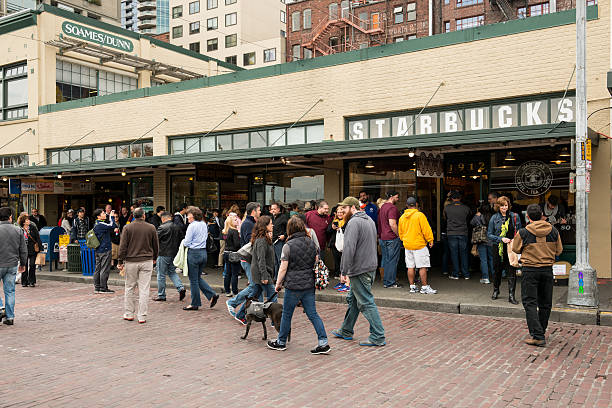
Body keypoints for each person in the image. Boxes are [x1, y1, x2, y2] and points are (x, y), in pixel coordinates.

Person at [267, 216, 330, 354]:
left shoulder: (288, 246)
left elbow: (283, 268)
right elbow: (316, 261)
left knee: (287, 314)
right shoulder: (311, 243)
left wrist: (277, 284)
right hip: (309, 284)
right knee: (313, 313)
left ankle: (281, 341)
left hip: (293, 285)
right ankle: (323, 342)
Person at [331, 197, 386, 347]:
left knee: (366, 302)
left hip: (359, 268)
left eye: (344, 208)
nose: (341, 212)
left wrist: (344, 270)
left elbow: (349, 248)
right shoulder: (368, 219)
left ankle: (378, 335)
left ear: (352, 207)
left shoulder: (354, 223)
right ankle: (346, 330)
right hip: (369, 266)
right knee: (354, 300)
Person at [512, 204, 562, 347]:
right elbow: (559, 251)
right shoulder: (553, 231)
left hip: (530, 269)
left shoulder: (523, 232)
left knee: (530, 302)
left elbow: (515, 248)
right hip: (547, 270)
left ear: (528, 216)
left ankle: (538, 335)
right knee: (545, 303)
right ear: (542, 215)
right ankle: (541, 330)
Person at [118, 208, 159, 323]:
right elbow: (156, 245)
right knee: (144, 289)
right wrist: (155, 257)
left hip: (131, 261)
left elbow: (123, 246)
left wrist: (120, 261)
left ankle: (129, 313)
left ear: (133, 216)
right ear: (144, 215)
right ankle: (142, 316)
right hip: (147, 261)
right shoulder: (151, 227)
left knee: (130, 287)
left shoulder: (127, 228)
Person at [226, 202, 262, 324]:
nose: (260, 212)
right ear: (253, 211)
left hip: (251, 260)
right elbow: (250, 242)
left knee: (257, 287)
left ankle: (257, 311)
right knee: (254, 286)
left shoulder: (251, 223)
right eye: (259, 210)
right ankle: (233, 303)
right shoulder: (248, 224)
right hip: (248, 260)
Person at [182, 207, 219, 311]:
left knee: (193, 280)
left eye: (188, 214)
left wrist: (184, 242)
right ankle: (212, 294)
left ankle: (195, 303)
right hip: (203, 253)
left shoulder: (191, 226)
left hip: (194, 253)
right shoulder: (203, 224)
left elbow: (187, 242)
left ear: (193, 215)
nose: (187, 216)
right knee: (197, 278)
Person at [398, 197, 437, 294]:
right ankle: (424, 287)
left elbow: (400, 232)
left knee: (410, 266)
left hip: (408, 245)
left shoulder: (402, 217)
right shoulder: (419, 215)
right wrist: (430, 239)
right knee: (422, 266)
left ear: (407, 206)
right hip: (419, 245)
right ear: (416, 205)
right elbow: (426, 229)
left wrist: (405, 240)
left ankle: (412, 287)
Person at [487, 196, 522, 304]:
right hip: (498, 247)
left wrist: (514, 240)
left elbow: (520, 231)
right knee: (497, 271)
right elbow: (489, 234)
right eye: (502, 206)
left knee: (511, 271)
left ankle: (511, 295)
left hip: (511, 248)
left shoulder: (514, 216)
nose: (504, 208)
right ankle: (496, 290)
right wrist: (501, 239)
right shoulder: (494, 218)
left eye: (506, 205)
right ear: (498, 206)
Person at [0, 207, 27, 326]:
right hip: (12, 264)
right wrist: (23, 264)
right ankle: (10, 317)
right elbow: (23, 249)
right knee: (10, 291)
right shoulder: (18, 230)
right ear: (10, 217)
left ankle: (1, 308)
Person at [153, 212, 186, 302]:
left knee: (161, 275)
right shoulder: (177, 227)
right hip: (174, 253)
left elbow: (155, 240)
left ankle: (161, 295)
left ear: (163, 219)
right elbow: (182, 239)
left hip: (163, 253)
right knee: (172, 272)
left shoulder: (162, 227)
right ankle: (180, 287)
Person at [377, 191, 403, 288]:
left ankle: (386, 281)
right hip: (391, 237)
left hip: (383, 237)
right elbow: (392, 224)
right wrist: (398, 235)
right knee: (392, 260)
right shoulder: (392, 208)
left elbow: (379, 223)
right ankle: (390, 282)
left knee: (387, 260)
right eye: (397, 197)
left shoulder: (382, 207)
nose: (398, 199)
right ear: (392, 197)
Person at [444, 191, 471, 280]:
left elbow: (445, 218)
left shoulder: (447, 208)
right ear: (460, 198)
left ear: (452, 198)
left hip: (451, 233)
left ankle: (455, 273)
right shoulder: (466, 208)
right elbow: (469, 220)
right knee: (464, 254)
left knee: (454, 254)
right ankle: (466, 274)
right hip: (463, 232)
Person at [92, 208, 117, 294]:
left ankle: (97, 287)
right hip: (105, 249)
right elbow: (112, 225)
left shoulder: (96, 224)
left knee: (98, 269)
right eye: (103, 213)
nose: (105, 214)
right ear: (98, 216)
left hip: (98, 249)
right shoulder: (101, 224)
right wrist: (112, 217)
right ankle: (103, 288)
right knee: (104, 269)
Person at [17, 214, 42, 288]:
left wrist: (40, 248)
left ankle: (32, 281)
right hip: (23, 250)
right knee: (24, 265)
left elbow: (37, 237)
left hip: (32, 249)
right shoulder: (20, 229)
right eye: (27, 220)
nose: (29, 221)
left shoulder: (32, 228)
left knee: (32, 264)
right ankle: (24, 282)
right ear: (23, 222)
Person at [471, 203, 494, 284]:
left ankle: (485, 278)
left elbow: (472, 223)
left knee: (483, 260)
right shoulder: (493, 217)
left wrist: (477, 215)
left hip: (481, 240)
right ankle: (494, 277)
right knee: (492, 259)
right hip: (491, 240)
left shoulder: (478, 216)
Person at [222, 214, 241, 297]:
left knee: (227, 273)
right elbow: (237, 244)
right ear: (231, 222)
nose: (237, 221)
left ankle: (227, 291)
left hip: (226, 253)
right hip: (233, 253)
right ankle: (235, 291)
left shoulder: (226, 231)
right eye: (235, 220)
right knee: (234, 273)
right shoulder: (234, 231)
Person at [270, 202, 289, 279]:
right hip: (272, 242)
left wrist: (284, 235)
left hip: (279, 242)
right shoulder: (271, 218)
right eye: (272, 209)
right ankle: (275, 277)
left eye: (274, 209)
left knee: (280, 261)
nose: (273, 210)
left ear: (278, 209)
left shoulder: (284, 217)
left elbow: (288, 228)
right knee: (274, 262)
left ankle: (280, 278)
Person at [328, 206, 345, 280]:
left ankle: (343, 275)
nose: (340, 214)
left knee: (343, 260)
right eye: (338, 212)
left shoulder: (347, 221)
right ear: (336, 213)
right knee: (336, 260)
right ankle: (337, 273)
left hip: (344, 244)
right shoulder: (334, 221)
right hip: (335, 244)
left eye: (341, 212)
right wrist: (332, 228)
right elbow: (327, 231)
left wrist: (341, 229)